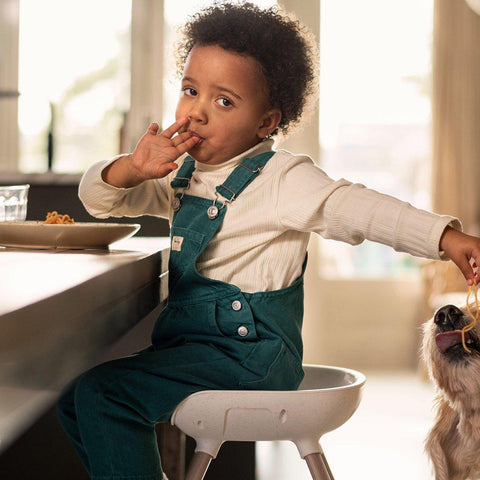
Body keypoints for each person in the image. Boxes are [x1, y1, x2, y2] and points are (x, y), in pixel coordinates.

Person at [57, 2, 480, 480]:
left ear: (265, 122)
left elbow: (359, 208)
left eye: (224, 101)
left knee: (104, 395)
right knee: (75, 399)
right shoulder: (180, 176)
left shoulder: (282, 178)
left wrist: (443, 237)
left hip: (251, 356)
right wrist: (131, 169)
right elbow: (98, 199)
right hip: (194, 353)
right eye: (190, 90)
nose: (196, 112)